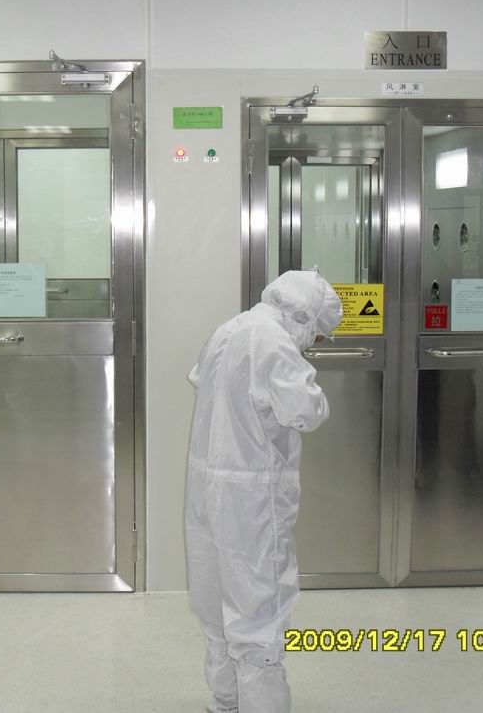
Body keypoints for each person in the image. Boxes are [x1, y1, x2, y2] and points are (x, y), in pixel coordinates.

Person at [185, 269, 343, 713]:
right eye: (316, 333)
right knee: (258, 601)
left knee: (216, 593)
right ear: (302, 315)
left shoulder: (228, 329)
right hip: (251, 494)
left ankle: (227, 699)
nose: (312, 342)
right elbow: (306, 411)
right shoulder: (274, 341)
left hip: (208, 486)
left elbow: (203, 379)